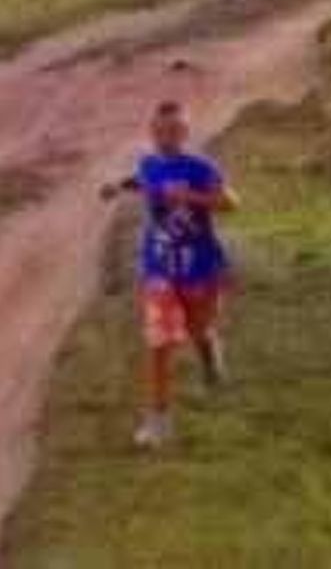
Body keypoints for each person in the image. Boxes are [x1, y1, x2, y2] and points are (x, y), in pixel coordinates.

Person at [101, 99, 239, 449]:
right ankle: (158, 422)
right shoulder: (148, 163)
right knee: (159, 345)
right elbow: (142, 181)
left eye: (175, 130)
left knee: (198, 329)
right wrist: (117, 186)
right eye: (161, 131)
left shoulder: (201, 167)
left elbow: (231, 203)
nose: (167, 137)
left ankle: (209, 351)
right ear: (151, 132)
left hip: (201, 266)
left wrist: (191, 197)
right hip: (159, 267)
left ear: (186, 132)